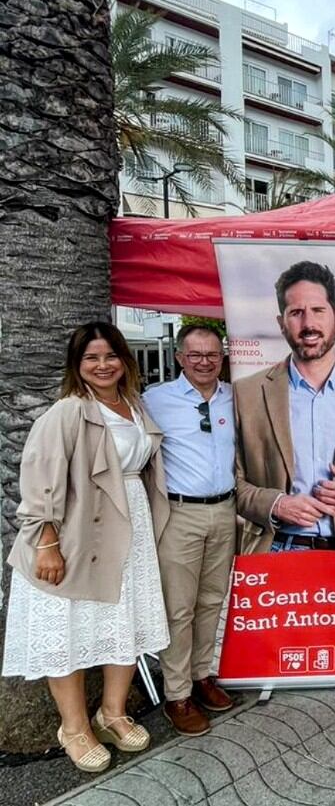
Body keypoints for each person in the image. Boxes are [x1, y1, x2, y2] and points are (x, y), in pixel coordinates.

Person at [2, 323, 170, 772]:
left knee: (124, 623)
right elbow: (38, 481)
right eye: (91, 358)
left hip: (129, 529)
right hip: (77, 533)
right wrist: (47, 543)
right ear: (77, 365)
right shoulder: (68, 412)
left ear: (125, 359)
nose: (102, 365)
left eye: (110, 355)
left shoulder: (133, 405)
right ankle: (73, 727)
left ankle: (111, 712)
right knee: (70, 629)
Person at [235, 260, 335, 552]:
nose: (308, 324)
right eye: (296, 312)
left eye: (318, 311)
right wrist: (275, 504)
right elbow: (234, 481)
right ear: (281, 323)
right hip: (279, 549)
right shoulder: (247, 393)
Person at [141, 324, 236, 737]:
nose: (203, 362)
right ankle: (177, 693)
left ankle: (202, 676)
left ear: (222, 357)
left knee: (212, 600)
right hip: (179, 514)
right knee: (178, 607)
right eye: (194, 354)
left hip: (225, 511)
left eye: (212, 354)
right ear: (179, 357)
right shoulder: (154, 400)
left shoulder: (235, 397)